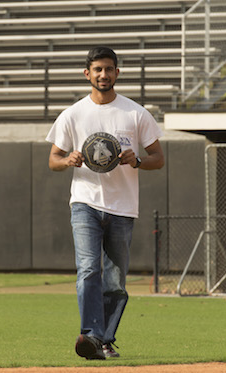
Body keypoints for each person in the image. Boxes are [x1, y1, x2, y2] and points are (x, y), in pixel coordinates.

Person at [46, 46, 165, 360]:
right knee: (88, 271)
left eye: (109, 69)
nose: (103, 74)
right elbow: (53, 160)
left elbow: (158, 159)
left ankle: (104, 340)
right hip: (84, 202)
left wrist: (138, 160)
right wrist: (67, 158)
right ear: (87, 74)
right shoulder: (73, 114)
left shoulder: (135, 113)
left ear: (117, 72)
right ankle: (89, 336)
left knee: (115, 282)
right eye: (97, 69)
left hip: (123, 207)